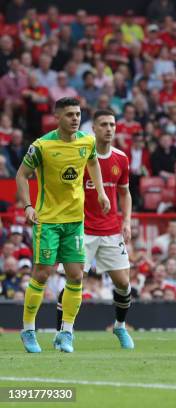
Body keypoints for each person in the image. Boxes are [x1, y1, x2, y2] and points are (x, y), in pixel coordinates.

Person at [16, 97, 110, 353]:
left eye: (78, 114)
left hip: (75, 221)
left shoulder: (87, 141)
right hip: (47, 220)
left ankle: (66, 333)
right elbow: (21, 175)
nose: (75, 118)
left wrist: (101, 192)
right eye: (69, 114)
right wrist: (27, 206)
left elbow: (93, 163)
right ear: (56, 117)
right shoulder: (42, 146)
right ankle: (28, 329)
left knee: (76, 274)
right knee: (43, 273)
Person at [54, 109, 134, 350]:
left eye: (112, 124)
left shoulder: (121, 158)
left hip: (110, 231)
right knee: (74, 279)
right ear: (94, 129)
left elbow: (125, 192)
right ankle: (64, 332)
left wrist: (127, 221)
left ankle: (120, 326)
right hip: (82, 230)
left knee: (123, 284)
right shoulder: (80, 156)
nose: (109, 129)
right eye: (104, 124)